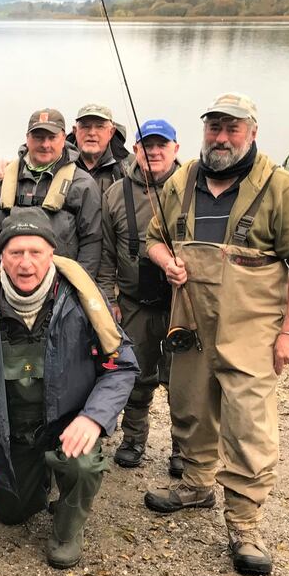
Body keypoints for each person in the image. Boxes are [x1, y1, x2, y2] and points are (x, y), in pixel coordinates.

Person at [143, 93, 289, 576]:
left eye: (232, 129)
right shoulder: (182, 180)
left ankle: (244, 524)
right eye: (214, 127)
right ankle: (196, 485)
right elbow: (154, 238)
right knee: (190, 406)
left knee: (248, 425)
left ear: (252, 133)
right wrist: (166, 261)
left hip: (252, 331)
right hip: (191, 323)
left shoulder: (281, 186)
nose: (221, 138)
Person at [0, 209, 138, 568]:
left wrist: (93, 418)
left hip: (68, 427)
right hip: (15, 432)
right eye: (16, 253)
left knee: (82, 466)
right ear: (2, 256)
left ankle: (68, 527)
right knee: (11, 514)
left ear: (52, 254)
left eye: (36, 252)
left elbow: (120, 365)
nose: (26, 263)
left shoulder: (82, 299)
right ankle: (38, 479)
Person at [99, 119, 183, 475]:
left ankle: (183, 448)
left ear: (176, 149)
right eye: (147, 145)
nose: (154, 151)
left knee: (182, 382)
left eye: (162, 144)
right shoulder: (115, 193)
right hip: (133, 303)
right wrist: (109, 299)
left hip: (182, 304)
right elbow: (105, 254)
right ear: (135, 150)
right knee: (136, 376)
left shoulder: (191, 188)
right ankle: (133, 439)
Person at [0, 108, 103, 278]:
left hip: (61, 282)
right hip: (11, 278)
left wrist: (78, 284)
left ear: (64, 138)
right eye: (38, 137)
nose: (45, 145)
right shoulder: (4, 177)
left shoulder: (83, 184)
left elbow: (92, 241)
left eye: (52, 138)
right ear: (27, 138)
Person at [72, 103, 126, 196]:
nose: (92, 133)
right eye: (85, 126)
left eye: (99, 126)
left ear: (111, 132)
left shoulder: (128, 167)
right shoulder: (59, 164)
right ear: (75, 131)